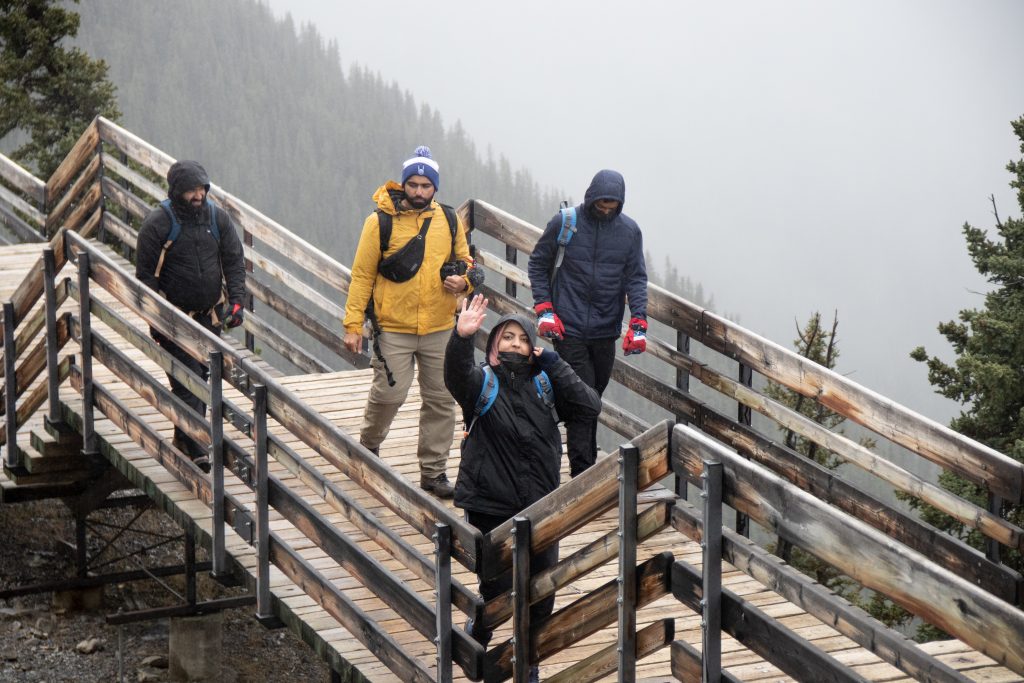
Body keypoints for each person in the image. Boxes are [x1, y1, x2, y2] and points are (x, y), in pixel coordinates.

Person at [445, 294, 601, 669]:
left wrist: (553, 360)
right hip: (489, 501)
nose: (515, 343)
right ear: (495, 343)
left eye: (523, 338)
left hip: (541, 502)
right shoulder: (481, 381)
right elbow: (454, 377)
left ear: (533, 346)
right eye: (507, 337)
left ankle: (527, 662)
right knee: (496, 586)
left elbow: (589, 406)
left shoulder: (546, 383)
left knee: (542, 587)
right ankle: (482, 629)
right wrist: (461, 337)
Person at [343, 146, 474, 498]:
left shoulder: (448, 220)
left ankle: (433, 473)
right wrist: (353, 325)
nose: (418, 191)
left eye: (425, 185)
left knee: (441, 400)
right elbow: (361, 275)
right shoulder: (379, 222)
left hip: (440, 325)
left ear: (435, 188)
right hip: (393, 327)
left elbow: (467, 261)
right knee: (389, 393)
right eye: (413, 184)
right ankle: (369, 447)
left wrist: (464, 282)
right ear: (404, 184)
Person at [527, 169, 648, 477]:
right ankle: (584, 473)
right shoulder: (566, 223)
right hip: (567, 328)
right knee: (584, 399)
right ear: (591, 197)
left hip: (605, 331)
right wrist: (544, 308)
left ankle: (544, 435)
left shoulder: (629, 232)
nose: (606, 210)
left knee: (591, 396)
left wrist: (638, 321)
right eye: (601, 204)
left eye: (612, 206)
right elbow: (538, 263)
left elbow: (635, 278)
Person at [135, 160, 246, 471]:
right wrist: (156, 319)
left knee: (202, 377)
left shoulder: (216, 218)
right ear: (177, 191)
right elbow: (144, 276)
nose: (198, 195)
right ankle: (199, 450)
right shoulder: (159, 222)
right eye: (191, 190)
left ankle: (185, 438)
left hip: (209, 318)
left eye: (202, 189)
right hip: (173, 320)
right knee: (188, 381)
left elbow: (234, 259)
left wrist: (236, 302)